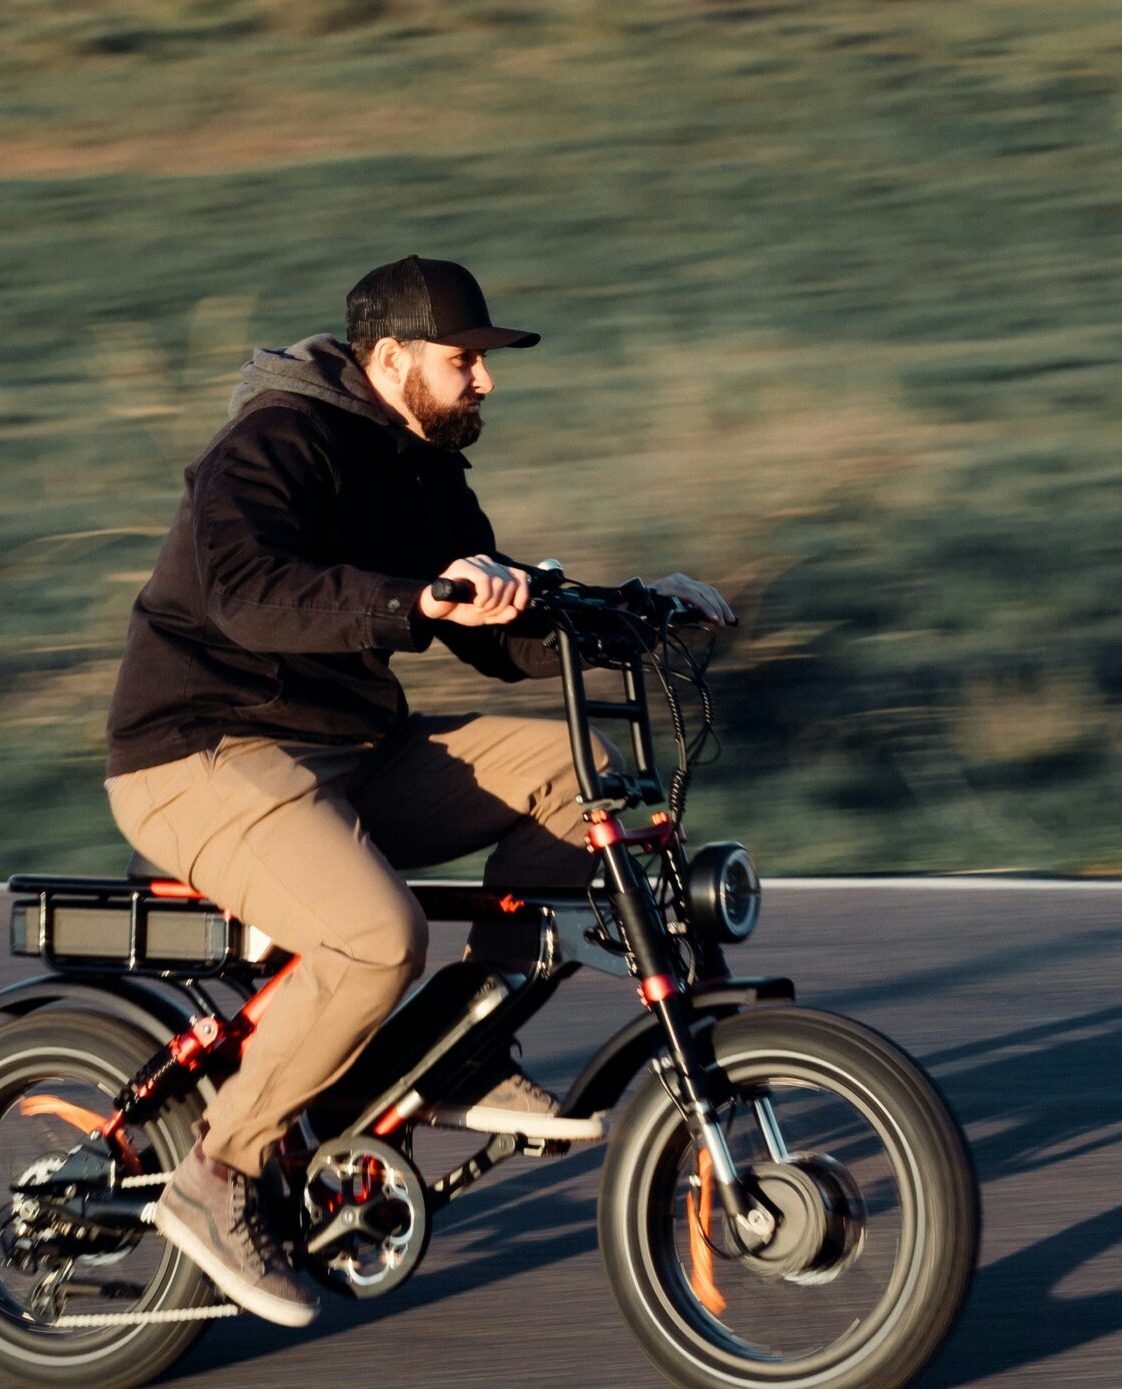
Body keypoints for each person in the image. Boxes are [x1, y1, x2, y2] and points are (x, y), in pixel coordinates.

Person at [103, 256, 733, 1326]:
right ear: (389, 358)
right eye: (465, 362)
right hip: (201, 754)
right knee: (375, 938)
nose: (484, 382)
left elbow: (493, 627)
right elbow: (251, 596)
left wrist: (632, 615)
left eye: (484, 364)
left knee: (582, 778)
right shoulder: (271, 443)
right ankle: (217, 1174)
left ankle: (453, 1048)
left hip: (347, 749)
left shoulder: (420, 467)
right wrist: (415, 599)